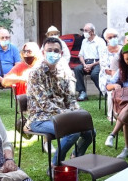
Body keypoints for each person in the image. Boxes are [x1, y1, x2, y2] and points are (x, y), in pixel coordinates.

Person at [26, 37, 93, 167]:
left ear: (61, 53)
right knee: (73, 132)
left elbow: (70, 99)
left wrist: (77, 113)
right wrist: (68, 117)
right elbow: (43, 103)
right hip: (40, 118)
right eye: (49, 50)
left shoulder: (64, 71)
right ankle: (55, 165)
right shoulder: (35, 73)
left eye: (56, 50)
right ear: (43, 53)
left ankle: (75, 159)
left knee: (90, 131)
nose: (53, 53)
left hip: (62, 115)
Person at [73, 22, 105, 101]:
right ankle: (82, 92)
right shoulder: (84, 41)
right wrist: (84, 65)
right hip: (86, 63)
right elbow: (80, 55)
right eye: (83, 30)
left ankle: (104, 91)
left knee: (94, 74)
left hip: (97, 63)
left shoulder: (100, 41)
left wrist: (91, 65)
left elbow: (103, 58)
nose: (84, 32)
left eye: (86, 30)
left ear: (92, 31)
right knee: (77, 69)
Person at [98, 27, 122, 119]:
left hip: (122, 75)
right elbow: (106, 69)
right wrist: (115, 80)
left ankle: (124, 113)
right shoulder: (103, 50)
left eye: (115, 36)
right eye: (110, 37)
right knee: (112, 89)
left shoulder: (123, 49)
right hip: (107, 77)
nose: (113, 39)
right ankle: (112, 115)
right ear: (106, 39)